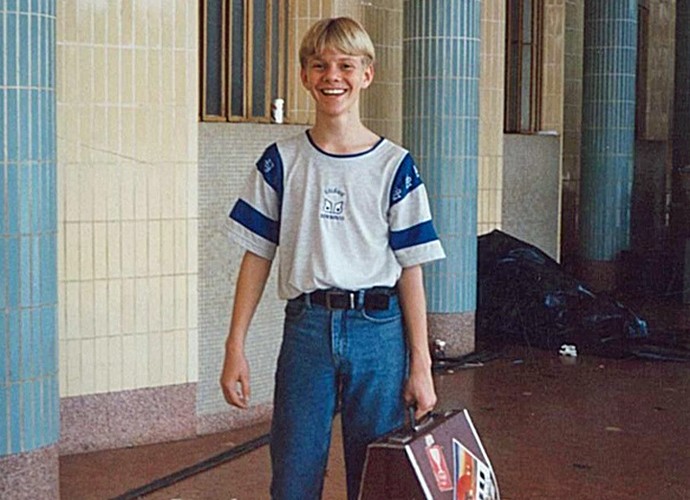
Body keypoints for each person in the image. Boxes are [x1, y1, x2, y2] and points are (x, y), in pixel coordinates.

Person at [220, 16, 446, 500]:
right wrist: (234, 345)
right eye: (319, 65)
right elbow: (257, 256)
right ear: (304, 76)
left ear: (367, 73)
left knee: (378, 476)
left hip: (379, 333)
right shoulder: (281, 161)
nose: (332, 76)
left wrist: (420, 364)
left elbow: (411, 268)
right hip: (307, 330)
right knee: (294, 474)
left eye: (346, 65)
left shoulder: (395, 166)